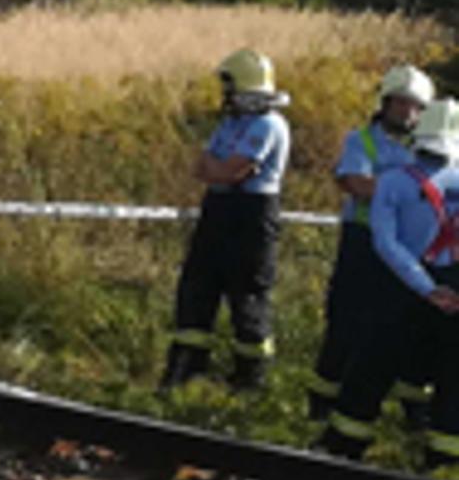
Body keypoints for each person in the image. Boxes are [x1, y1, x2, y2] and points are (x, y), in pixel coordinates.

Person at [310, 64, 438, 447]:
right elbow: (354, 182)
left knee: (404, 326)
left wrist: (391, 191)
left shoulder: (430, 145)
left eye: (416, 107)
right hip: (363, 242)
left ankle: (410, 409)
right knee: (346, 320)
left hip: (406, 245)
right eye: (400, 103)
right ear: (385, 103)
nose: (408, 113)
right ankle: (323, 399)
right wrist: (405, 192)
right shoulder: (362, 139)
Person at [329, 99, 459, 467]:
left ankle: (341, 454)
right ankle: (442, 467)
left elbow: (385, 242)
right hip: (455, 291)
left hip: (400, 287)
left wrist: (424, 286)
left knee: (371, 370)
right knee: (452, 379)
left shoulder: (393, 182)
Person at [160, 48, 291, 395]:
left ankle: (250, 380)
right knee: (198, 285)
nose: (224, 93)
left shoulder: (268, 124)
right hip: (217, 208)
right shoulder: (230, 123)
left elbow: (231, 171)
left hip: (252, 214)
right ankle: (186, 371)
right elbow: (202, 167)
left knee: (247, 294)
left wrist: (219, 170)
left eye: (228, 85)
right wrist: (218, 171)